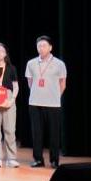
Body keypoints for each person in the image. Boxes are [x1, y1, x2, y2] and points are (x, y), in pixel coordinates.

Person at [26, 35, 65, 168]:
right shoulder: (31, 63)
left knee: (54, 133)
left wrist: (55, 96)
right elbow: (30, 83)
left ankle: (54, 160)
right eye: (39, 46)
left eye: (44, 45)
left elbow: (62, 83)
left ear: (50, 47)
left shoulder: (59, 64)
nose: (41, 48)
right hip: (35, 103)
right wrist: (39, 94)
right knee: (36, 133)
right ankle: (38, 159)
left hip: (53, 104)